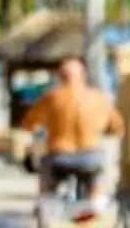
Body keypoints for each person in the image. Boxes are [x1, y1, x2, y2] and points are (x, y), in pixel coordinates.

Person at [19, 58, 122, 203]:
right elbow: (117, 127)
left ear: (60, 77)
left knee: (47, 185)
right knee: (99, 177)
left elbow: (28, 124)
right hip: (90, 157)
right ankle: (97, 204)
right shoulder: (98, 98)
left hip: (59, 158)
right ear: (84, 75)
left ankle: (47, 209)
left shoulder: (52, 97)